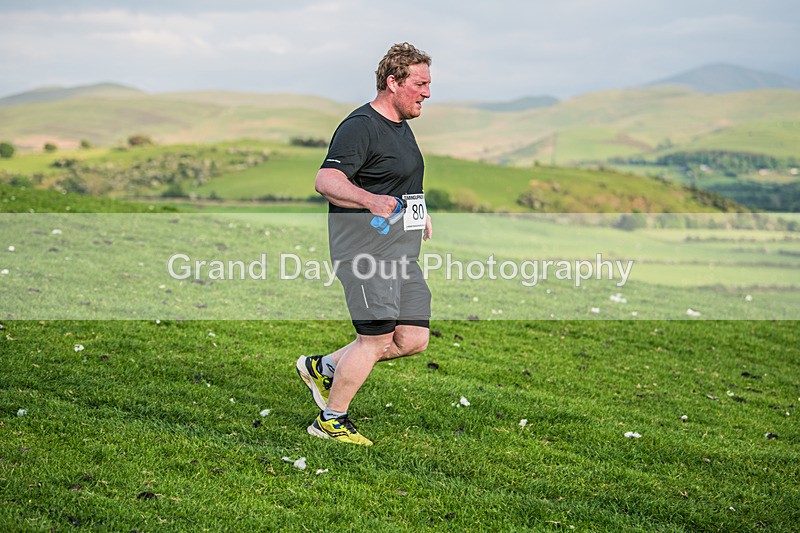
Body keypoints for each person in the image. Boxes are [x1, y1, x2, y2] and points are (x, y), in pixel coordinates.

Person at [296, 42, 433, 446]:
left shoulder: (400, 125)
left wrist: (419, 210)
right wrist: (370, 200)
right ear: (393, 82)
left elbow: (396, 178)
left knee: (412, 338)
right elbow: (326, 180)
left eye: (428, 84)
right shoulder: (360, 126)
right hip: (365, 254)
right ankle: (330, 420)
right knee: (374, 339)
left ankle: (323, 367)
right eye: (420, 84)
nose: (427, 93)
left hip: (401, 255)